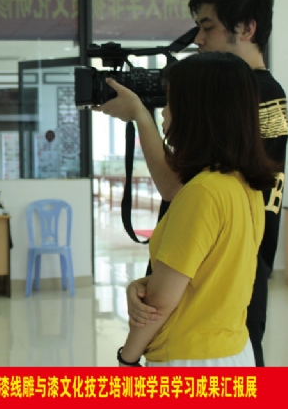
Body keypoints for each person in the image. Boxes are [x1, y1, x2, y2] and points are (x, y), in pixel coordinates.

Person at [95, 0, 288, 367]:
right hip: (215, 279)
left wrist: (140, 117)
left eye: (207, 26)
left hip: (215, 292)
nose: (198, 39)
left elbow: (176, 187)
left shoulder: (255, 98)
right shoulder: (233, 163)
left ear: (247, 28)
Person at [115, 51, 278, 366]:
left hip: (189, 360)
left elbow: (160, 304)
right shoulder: (245, 185)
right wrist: (143, 284)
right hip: (233, 351)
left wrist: (127, 358)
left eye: (171, 102)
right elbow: (209, 274)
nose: (164, 112)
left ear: (197, 112)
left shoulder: (202, 192)